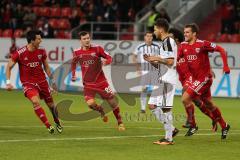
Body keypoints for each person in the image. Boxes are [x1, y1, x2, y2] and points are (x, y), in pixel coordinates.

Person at [179, 23, 230, 139]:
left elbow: (221, 49)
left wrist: (225, 66)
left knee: (185, 98)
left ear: (194, 34)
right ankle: (224, 125)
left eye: (187, 32)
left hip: (204, 79)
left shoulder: (202, 44)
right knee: (209, 104)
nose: (185, 34)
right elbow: (176, 58)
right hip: (197, 80)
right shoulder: (183, 46)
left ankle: (192, 125)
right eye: (184, 32)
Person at [5, 30, 62, 134]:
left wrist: (52, 81)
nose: (41, 40)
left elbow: (47, 68)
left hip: (42, 82)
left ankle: (57, 121)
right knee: (35, 102)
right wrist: (8, 82)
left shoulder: (42, 52)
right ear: (32, 40)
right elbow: (8, 67)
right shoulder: (19, 53)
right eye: (39, 39)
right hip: (28, 84)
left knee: (52, 106)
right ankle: (48, 126)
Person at [71, 31, 125, 131]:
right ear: (80, 41)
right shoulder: (77, 52)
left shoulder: (97, 48)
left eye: (88, 38)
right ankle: (101, 111)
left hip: (101, 82)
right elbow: (73, 63)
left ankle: (120, 122)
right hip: (88, 84)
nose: (87, 40)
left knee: (112, 102)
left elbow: (109, 57)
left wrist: (106, 61)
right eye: (84, 39)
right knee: (90, 104)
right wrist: (73, 75)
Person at [169, 28, 217, 132]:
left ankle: (192, 122)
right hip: (183, 79)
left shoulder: (184, 46)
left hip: (191, 78)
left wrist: (209, 69)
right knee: (198, 102)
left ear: (176, 39)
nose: (168, 39)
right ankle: (212, 118)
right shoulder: (172, 51)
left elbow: (199, 59)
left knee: (185, 94)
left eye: (170, 37)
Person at [144, 19, 179, 145]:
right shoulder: (163, 43)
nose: (154, 32)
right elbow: (162, 64)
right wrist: (151, 61)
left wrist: (157, 58)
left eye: (154, 29)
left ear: (161, 29)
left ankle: (168, 138)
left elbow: (170, 61)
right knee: (152, 106)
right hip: (161, 78)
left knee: (165, 108)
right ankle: (172, 129)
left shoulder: (168, 42)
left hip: (168, 79)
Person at [132, 31, 161, 113]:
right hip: (144, 71)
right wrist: (138, 68)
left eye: (151, 36)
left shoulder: (157, 46)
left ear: (152, 37)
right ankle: (143, 108)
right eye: (147, 36)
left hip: (155, 71)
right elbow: (134, 56)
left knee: (156, 89)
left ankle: (156, 106)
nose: (149, 38)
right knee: (144, 90)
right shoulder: (140, 47)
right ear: (145, 37)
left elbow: (162, 56)